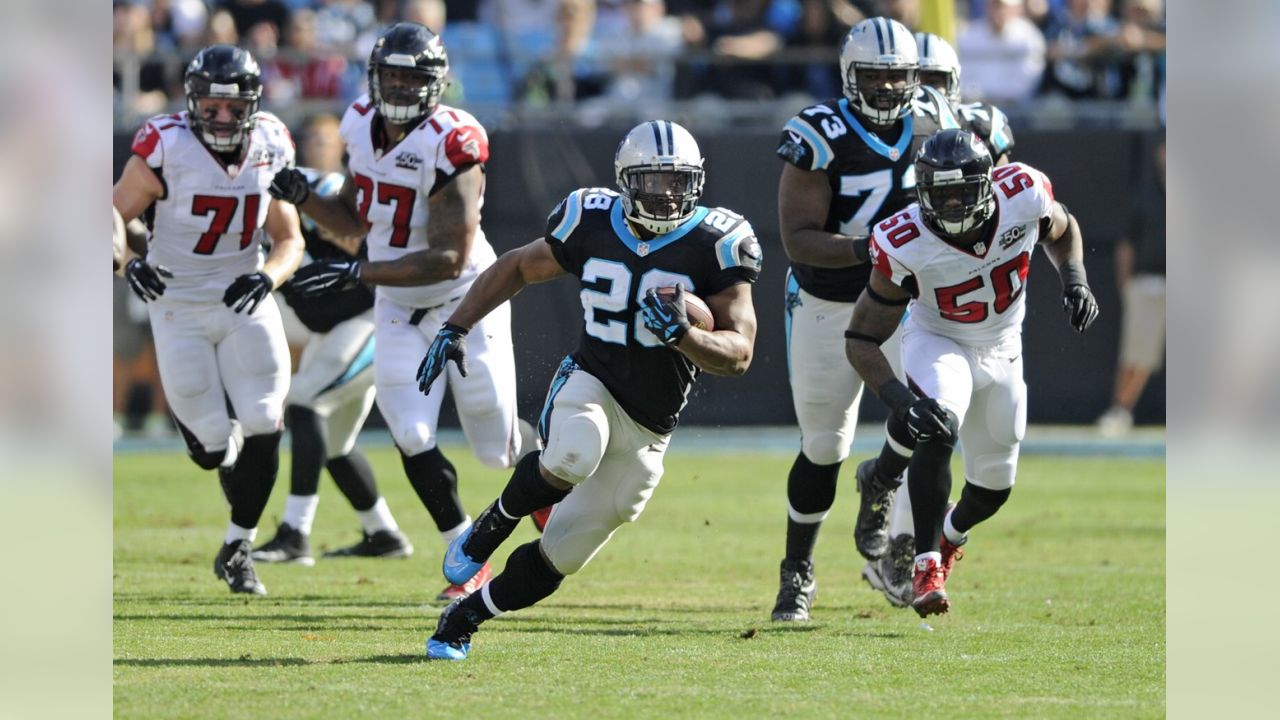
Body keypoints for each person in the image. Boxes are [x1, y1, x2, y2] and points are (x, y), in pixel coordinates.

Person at [417, 120, 762, 661]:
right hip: (591, 381)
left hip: (650, 428)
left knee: (563, 556)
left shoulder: (716, 241)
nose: (667, 195)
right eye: (653, 182)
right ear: (626, 181)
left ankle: (466, 616)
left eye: (679, 182)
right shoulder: (591, 219)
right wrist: (455, 325)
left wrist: (686, 335)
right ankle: (491, 525)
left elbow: (739, 353)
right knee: (575, 450)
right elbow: (515, 268)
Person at [268, 22, 536, 601]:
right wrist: (304, 197)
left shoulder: (454, 139)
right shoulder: (359, 123)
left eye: (411, 77)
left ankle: (546, 461)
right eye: (390, 74)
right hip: (396, 304)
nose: (399, 87)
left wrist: (358, 271)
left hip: (466, 299)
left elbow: (447, 256)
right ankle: (468, 557)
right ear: (373, 76)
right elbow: (356, 220)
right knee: (411, 433)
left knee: (496, 449)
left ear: (436, 84)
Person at [845, 128, 1099, 617]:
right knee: (939, 422)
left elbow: (1064, 230)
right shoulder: (906, 241)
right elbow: (860, 339)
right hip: (939, 339)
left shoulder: (1023, 191)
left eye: (964, 191)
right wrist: (902, 400)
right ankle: (923, 564)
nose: (955, 205)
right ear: (921, 193)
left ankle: (947, 534)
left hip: (1004, 345)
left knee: (994, 489)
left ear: (988, 183)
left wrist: (1075, 279)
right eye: (942, 195)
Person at [770, 16, 959, 623]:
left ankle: (886, 494)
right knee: (824, 447)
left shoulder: (935, 119)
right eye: (874, 76)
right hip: (828, 300)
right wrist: (875, 247)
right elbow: (798, 239)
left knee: (932, 410)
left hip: (904, 300)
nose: (886, 88)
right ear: (850, 77)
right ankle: (797, 569)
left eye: (897, 76)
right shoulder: (820, 132)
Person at [112, 44, 305, 595]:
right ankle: (219, 450)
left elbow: (289, 238)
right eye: (211, 106)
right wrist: (127, 261)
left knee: (267, 420)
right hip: (176, 302)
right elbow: (109, 210)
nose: (222, 117)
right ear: (193, 101)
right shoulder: (165, 143)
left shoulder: (270, 140)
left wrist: (270, 276)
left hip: (244, 295)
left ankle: (238, 545)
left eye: (233, 107)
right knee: (214, 450)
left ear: (252, 104)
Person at [857, 30, 1019, 609]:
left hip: (987, 316)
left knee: (989, 468)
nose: (924, 96)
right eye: (913, 81)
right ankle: (911, 558)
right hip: (919, 295)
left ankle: (911, 531)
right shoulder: (883, 139)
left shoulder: (992, 148)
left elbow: (1023, 214)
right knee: (932, 422)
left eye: (935, 83)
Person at [251, 167, 413, 566]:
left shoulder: (321, 197)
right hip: (339, 329)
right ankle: (383, 533)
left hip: (375, 322)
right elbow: (314, 316)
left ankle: (295, 532)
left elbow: (363, 251)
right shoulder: (270, 223)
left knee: (305, 400)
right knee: (336, 443)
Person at [1097, 134, 1164, 436]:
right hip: (1148, 283)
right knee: (1137, 355)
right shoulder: (1145, 197)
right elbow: (1126, 244)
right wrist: (1126, 284)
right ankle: (1120, 411)